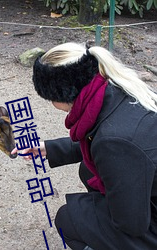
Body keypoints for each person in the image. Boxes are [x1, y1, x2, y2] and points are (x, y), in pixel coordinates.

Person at [12, 42, 157, 249]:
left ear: (61, 94)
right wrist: (49, 148)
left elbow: (132, 224)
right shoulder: (117, 88)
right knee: (88, 171)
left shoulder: (114, 142)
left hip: (147, 223)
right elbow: (101, 138)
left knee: (69, 218)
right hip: (148, 187)